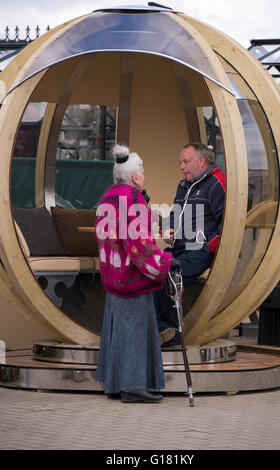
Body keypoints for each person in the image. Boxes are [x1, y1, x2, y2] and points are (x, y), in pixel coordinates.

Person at [95, 144, 174, 403]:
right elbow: (138, 244)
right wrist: (164, 262)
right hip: (132, 279)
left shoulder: (108, 196)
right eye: (143, 171)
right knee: (135, 331)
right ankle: (133, 387)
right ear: (135, 176)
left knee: (118, 331)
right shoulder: (132, 198)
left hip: (112, 278)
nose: (144, 175)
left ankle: (117, 385)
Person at [156, 143, 226, 346]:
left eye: (185, 161)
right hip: (179, 249)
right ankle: (160, 329)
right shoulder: (183, 185)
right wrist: (166, 230)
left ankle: (173, 333)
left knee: (168, 271)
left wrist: (208, 248)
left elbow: (226, 224)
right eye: (181, 162)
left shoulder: (217, 183)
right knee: (150, 267)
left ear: (201, 161)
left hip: (200, 251)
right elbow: (173, 214)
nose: (181, 166)